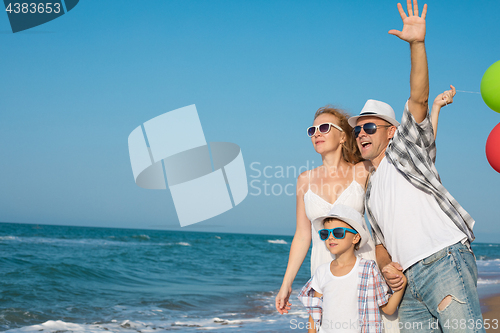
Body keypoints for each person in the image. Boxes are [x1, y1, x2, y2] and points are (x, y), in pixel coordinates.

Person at [348, 1, 484, 332]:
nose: (361, 134)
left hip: (443, 261)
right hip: (408, 284)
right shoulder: (369, 191)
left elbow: (419, 98)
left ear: (391, 131)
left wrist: (417, 45)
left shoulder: (406, 149)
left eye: (369, 127)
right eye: (357, 129)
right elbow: (380, 244)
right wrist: (386, 268)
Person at [275, 106, 373, 326]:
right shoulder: (304, 180)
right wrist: (286, 283)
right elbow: (302, 235)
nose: (317, 133)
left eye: (325, 127)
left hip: (362, 268)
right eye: (313, 130)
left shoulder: (363, 170)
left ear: (342, 136)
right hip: (323, 270)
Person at [298, 205, 406, 333]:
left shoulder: (368, 269)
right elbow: (315, 313)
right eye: (325, 233)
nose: (331, 237)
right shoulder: (322, 271)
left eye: (338, 232)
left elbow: (388, 309)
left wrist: (402, 283)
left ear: (355, 238)